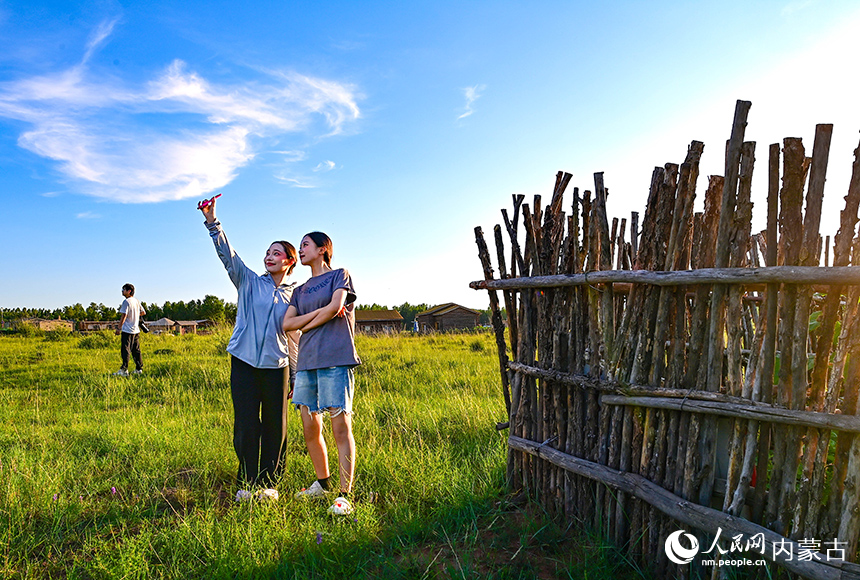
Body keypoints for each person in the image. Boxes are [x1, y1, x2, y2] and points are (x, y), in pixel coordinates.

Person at [198, 194, 300, 501]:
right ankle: (247, 481)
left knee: (276, 426)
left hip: (277, 367)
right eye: (267, 252)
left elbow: (294, 336)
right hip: (243, 362)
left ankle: (269, 484)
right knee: (245, 424)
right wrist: (212, 222)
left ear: (289, 261)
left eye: (276, 253)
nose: (269, 256)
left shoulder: (296, 295)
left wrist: (295, 374)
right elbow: (228, 256)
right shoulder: (249, 281)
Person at [283, 232, 360, 516]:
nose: (300, 249)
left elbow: (336, 306)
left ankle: (344, 495)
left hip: (335, 358)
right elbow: (287, 324)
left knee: (340, 427)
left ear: (322, 248)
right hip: (307, 362)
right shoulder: (299, 290)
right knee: (309, 427)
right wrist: (321, 315)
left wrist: (305, 323)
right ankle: (323, 483)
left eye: (305, 244)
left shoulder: (340, 275)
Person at [113, 283, 146, 376]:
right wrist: (135, 315)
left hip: (127, 330)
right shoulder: (136, 301)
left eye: (124, 290)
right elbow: (143, 312)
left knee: (125, 349)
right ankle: (139, 369)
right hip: (136, 330)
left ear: (129, 291)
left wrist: (119, 328)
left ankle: (124, 370)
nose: (122, 291)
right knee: (136, 350)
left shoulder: (126, 302)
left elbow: (124, 315)